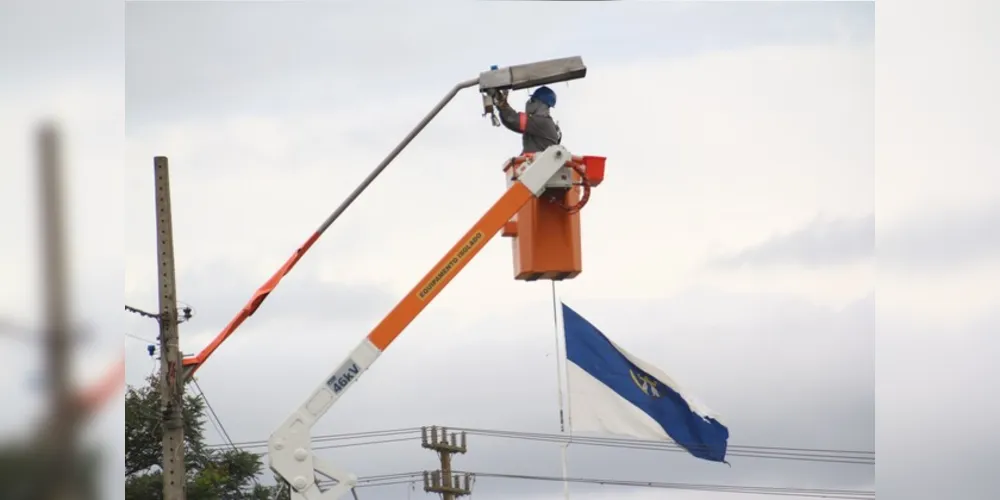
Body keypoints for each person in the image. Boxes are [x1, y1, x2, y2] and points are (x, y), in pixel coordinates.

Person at [494, 85, 562, 154]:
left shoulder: (542, 122)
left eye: (532, 100)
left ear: (541, 104)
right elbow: (510, 122)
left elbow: (513, 119)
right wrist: (501, 105)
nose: (528, 103)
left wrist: (501, 102)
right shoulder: (542, 123)